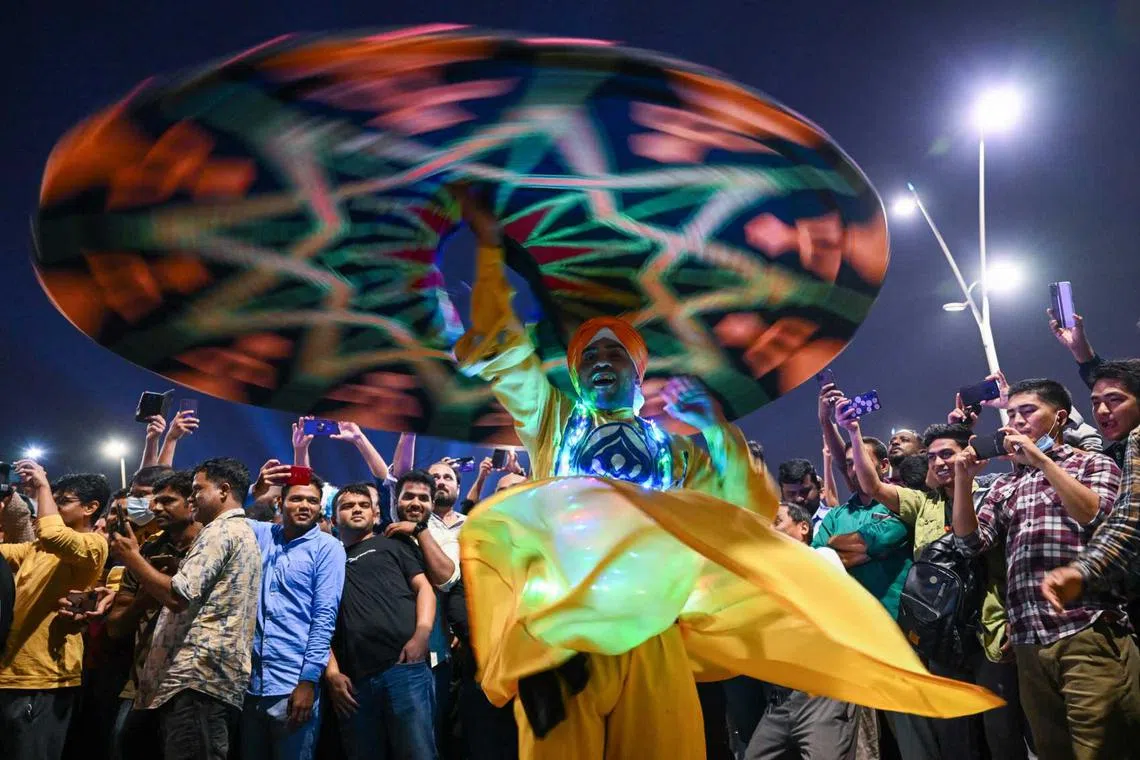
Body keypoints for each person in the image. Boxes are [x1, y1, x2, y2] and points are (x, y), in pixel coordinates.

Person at [449, 184, 996, 760]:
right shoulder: (553, 421)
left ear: (638, 373)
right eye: (589, 356)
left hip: (652, 632)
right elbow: (505, 350)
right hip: (563, 629)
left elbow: (749, 505)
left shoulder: (675, 452)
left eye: (614, 355)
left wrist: (713, 426)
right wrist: (487, 249)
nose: (600, 363)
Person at [950, 378, 1140, 759]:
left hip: (1087, 627)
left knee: (1107, 747)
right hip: (1028, 643)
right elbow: (970, 543)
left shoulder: (1092, 462)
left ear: (1060, 418)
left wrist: (1042, 461)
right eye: (1012, 415)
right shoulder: (1005, 485)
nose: (1016, 422)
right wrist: (962, 480)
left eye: (1028, 412)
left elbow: (1100, 518)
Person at [843, 416, 1026, 760]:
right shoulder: (922, 503)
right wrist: (853, 431)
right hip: (942, 638)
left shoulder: (994, 491)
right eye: (932, 457)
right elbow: (872, 486)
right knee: (956, 739)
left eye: (947, 454)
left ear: (968, 453)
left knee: (1003, 735)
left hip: (989, 631)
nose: (940, 462)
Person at [111, 457, 261, 760]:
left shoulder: (220, 531)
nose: (192, 498)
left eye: (197, 490)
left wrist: (133, 559)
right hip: (193, 682)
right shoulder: (236, 532)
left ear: (224, 490)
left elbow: (178, 597)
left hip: (197, 680)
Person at [811, 434, 937, 760]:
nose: (854, 469)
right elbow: (819, 558)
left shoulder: (898, 505)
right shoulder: (836, 514)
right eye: (849, 463)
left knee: (910, 727)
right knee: (865, 735)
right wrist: (854, 550)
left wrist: (840, 548)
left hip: (896, 629)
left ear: (882, 465)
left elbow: (878, 540)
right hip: (853, 636)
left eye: (860, 461)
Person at [0, 465, 110, 760]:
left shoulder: (94, 545)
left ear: (90, 508)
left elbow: (51, 534)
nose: (53, 505)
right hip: (10, 673)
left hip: (44, 678)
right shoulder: (35, 549)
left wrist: (43, 486)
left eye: (64, 501)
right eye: (54, 499)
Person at [325, 478, 438, 760]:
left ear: (376, 514)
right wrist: (332, 672)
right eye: (348, 506)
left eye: (364, 505)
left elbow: (424, 588)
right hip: (354, 682)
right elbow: (318, 619)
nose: (357, 509)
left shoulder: (393, 545)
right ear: (333, 519)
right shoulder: (327, 559)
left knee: (418, 754)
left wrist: (422, 634)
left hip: (404, 667)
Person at [243, 465, 346, 760]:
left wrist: (308, 681)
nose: (304, 506)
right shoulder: (262, 534)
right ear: (280, 502)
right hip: (249, 684)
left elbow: (324, 618)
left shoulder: (328, 548)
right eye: (296, 499)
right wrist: (254, 493)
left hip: (291, 683)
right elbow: (223, 520)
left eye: (312, 501)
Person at [746, 503, 855, 760]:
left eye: (777, 522)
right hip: (780, 698)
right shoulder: (766, 575)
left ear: (803, 528)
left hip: (821, 695)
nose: (769, 529)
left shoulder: (822, 557)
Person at [105, 470, 201, 760]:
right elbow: (115, 626)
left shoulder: (209, 548)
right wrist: (146, 591)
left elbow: (177, 600)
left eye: (168, 501)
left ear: (192, 503)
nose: (155, 507)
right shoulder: (148, 550)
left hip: (191, 683)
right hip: (141, 681)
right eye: (155, 500)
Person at [1041, 361, 1140, 609]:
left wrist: (1084, 569)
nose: (1102, 410)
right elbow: (1130, 518)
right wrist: (1083, 570)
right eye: (1095, 403)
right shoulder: (1126, 447)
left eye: (1115, 400)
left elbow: (1127, 519)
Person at [776, 459, 829, 528]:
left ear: (818, 487)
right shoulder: (772, 525)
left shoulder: (836, 521)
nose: (798, 499)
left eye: (804, 491)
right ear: (782, 493)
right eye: (791, 493)